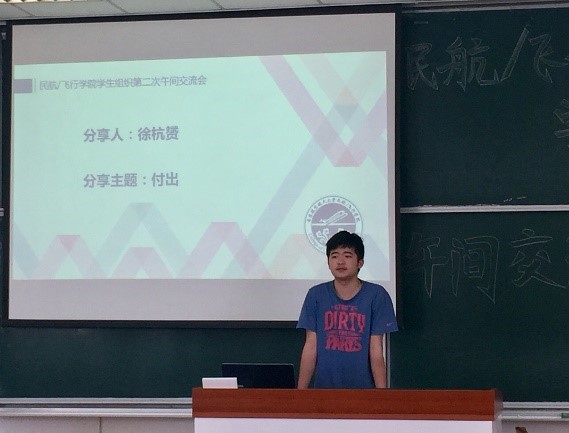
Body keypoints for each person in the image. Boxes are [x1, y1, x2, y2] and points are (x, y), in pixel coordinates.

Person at [296, 231, 397, 389]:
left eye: (347, 256)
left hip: (364, 391)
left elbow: (376, 349)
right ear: (328, 262)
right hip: (323, 391)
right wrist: (300, 393)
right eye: (334, 256)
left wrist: (381, 395)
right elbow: (311, 346)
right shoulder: (316, 295)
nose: (340, 261)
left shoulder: (377, 295)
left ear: (360, 263)